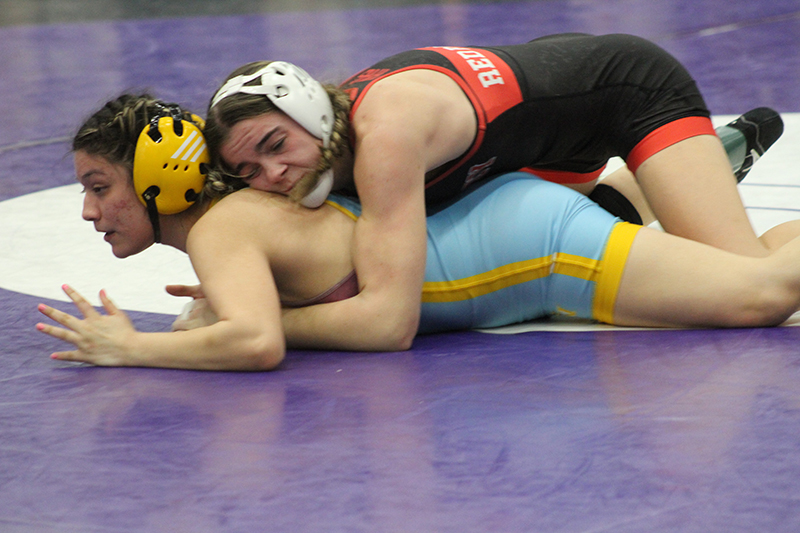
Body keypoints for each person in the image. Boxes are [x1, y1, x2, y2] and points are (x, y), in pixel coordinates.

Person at [35, 95, 800, 371]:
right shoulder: (241, 218)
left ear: (162, 175)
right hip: (512, 234)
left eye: (100, 187)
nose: (89, 211)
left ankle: (660, 186)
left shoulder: (224, 228)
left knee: (766, 295)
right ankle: (649, 191)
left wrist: (132, 344)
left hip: (540, 252)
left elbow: (256, 342)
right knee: (758, 260)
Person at [201, 33, 786, 351]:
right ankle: (699, 164)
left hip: (629, 94)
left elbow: (389, 323)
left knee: (749, 280)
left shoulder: (385, 137)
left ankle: (689, 161)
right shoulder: (329, 148)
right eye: (248, 169)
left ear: (307, 109)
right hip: (539, 148)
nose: (272, 175)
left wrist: (254, 320)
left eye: (275, 145)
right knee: (593, 220)